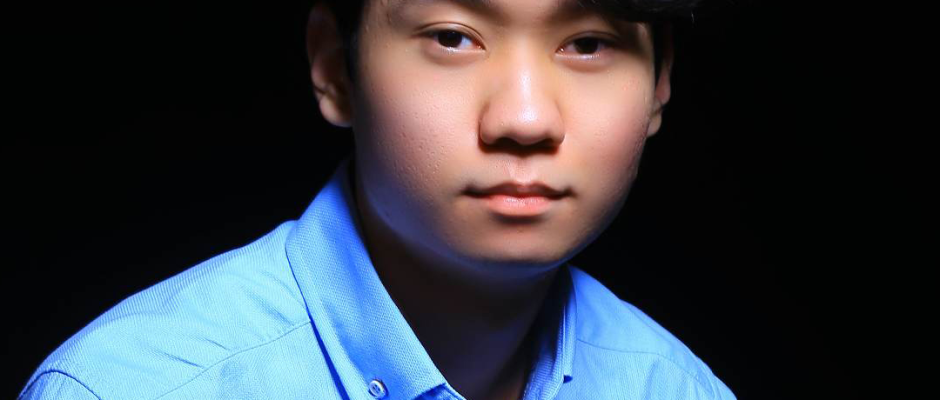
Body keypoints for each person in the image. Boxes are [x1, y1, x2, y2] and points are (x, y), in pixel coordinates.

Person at [19, 0, 737, 399]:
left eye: (588, 44)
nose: (524, 118)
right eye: (453, 38)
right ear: (336, 67)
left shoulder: (676, 389)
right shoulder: (128, 387)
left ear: (660, 83)